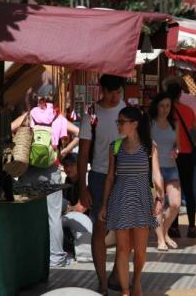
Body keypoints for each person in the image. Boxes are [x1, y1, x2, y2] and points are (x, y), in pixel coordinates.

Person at [99, 106, 164, 296]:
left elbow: (156, 173)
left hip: (142, 199)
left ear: (134, 124)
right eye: (118, 121)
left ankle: (136, 282)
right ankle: (126, 291)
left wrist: (160, 197)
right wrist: (104, 204)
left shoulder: (149, 147)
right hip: (120, 199)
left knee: (141, 250)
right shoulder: (115, 146)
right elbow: (110, 177)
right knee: (122, 248)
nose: (118, 125)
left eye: (121, 122)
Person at [13, 86, 80, 268]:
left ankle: (27, 253)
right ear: (52, 100)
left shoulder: (30, 115)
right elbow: (79, 133)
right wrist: (65, 149)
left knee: (28, 213)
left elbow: (11, 127)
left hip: (30, 169)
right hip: (51, 169)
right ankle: (57, 257)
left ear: (37, 100)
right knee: (54, 215)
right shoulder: (58, 117)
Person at [77, 74, 126, 293]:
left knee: (126, 230)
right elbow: (83, 153)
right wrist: (82, 187)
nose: (115, 97)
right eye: (111, 92)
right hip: (98, 176)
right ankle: (103, 281)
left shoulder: (128, 112)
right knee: (100, 227)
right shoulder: (92, 115)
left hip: (125, 177)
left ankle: (116, 274)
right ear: (102, 90)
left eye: (118, 92)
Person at [166, 81, 196, 239]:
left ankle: (174, 227)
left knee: (174, 191)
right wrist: (194, 143)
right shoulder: (187, 110)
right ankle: (192, 227)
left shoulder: (166, 112)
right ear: (180, 94)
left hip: (172, 155)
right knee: (189, 191)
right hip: (187, 154)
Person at [149, 92, 181, 251]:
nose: (165, 109)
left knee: (175, 204)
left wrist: (176, 150)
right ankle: (160, 239)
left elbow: (178, 144)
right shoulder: (150, 123)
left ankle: (165, 231)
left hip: (171, 166)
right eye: (162, 105)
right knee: (158, 206)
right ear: (156, 106)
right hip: (155, 168)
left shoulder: (174, 123)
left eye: (168, 106)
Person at [61, 154, 93, 263]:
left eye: (71, 165)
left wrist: (68, 208)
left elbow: (81, 208)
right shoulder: (68, 181)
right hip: (76, 219)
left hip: (89, 221)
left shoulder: (86, 180)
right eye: (65, 166)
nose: (68, 169)